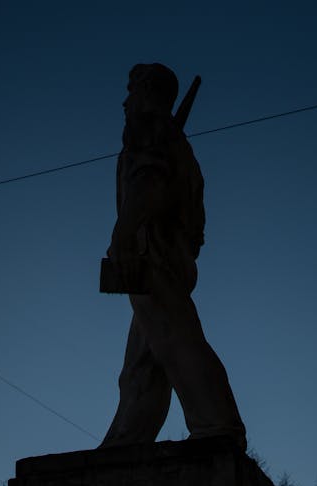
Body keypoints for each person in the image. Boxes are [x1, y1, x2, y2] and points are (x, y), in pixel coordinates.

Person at [100, 63, 246, 449]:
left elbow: (148, 185)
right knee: (142, 365)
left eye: (132, 92)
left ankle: (218, 425)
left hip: (152, 251)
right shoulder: (178, 146)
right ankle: (127, 438)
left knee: (175, 338)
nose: (125, 102)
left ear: (148, 94)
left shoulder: (150, 132)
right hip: (171, 254)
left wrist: (124, 237)